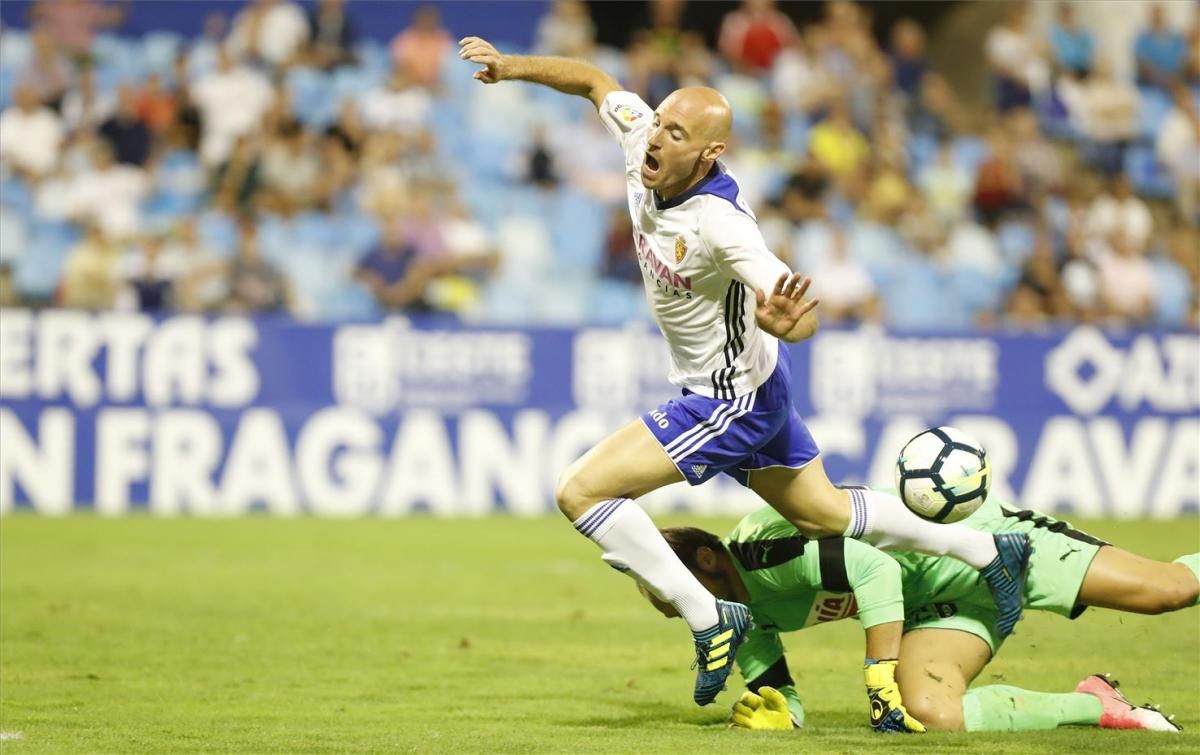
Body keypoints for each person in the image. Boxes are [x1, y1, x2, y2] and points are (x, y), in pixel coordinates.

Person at [457, 36, 1032, 711]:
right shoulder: (641, 137)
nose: (655, 138)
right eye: (658, 123)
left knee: (580, 490)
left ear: (709, 154)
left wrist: (794, 323)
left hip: (726, 398)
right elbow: (591, 79)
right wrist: (513, 66)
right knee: (824, 511)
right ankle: (988, 549)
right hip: (753, 384)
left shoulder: (722, 226)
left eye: (675, 133)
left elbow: (792, 303)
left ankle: (708, 617)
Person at [645, 489, 1197, 733]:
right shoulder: (733, 615)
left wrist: (878, 674)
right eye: (680, 614)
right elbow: (778, 690)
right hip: (937, 606)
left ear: (708, 558)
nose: (694, 615)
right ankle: (1097, 704)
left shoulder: (767, 550)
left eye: (686, 599)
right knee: (932, 714)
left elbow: (876, 570)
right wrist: (781, 715)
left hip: (998, 548)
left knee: (1167, 591)